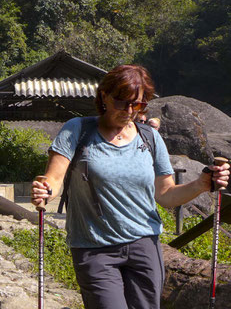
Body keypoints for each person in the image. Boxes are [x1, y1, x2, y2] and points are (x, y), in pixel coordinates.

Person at [31, 64, 229, 309]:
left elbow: (165, 195)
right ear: (104, 95)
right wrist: (46, 189)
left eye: (138, 105)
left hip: (144, 245)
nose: (129, 111)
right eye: (122, 102)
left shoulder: (150, 137)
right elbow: (55, 178)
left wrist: (201, 183)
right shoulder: (78, 130)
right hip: (94, 248)